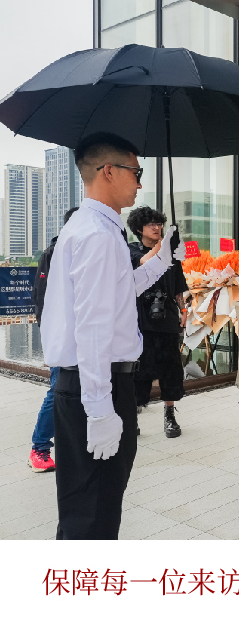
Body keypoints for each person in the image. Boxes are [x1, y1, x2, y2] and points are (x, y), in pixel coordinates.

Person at [41, 132, 183, 539]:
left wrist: (162, 260)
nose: (139, 183)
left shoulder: (96, 228)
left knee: (89, 510)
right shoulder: (99, 236)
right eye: (135, 172)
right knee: (94, 516)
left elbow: (119, 292)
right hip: (97, 386)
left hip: (90, 384)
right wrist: (100, 410)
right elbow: (93, 328)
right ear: (108, 171)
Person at [127, 206, 189, 438]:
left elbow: (179, 286)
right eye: (151, 224)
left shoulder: (171, 255)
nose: (157, 227)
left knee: (171, 369)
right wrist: (163, 247)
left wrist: (184, 309)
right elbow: (143, 263)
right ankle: (132, 416)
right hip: (141, 320)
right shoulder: (131, 251)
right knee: (140, 370)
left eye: (159, 223)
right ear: (139, 229)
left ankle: (170, 415)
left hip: (168, 319)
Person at [27, 206, 79, 473]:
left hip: (86, 334)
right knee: (58, 389)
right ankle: (39, 448)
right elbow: (42, 298)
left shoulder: (85, 252)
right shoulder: (54, 254)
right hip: (64, 335)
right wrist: (52, 338)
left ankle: (75, 446)